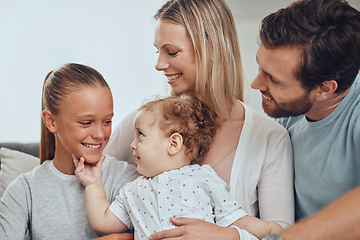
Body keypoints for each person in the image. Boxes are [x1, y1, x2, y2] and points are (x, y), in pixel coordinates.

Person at [105, 0, 294, 239]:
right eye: (158, 51)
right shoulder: (142, 124)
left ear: (212, 47)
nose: (159, 64)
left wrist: (226, 236)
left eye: (171, 52)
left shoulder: (269, 138)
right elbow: (95, 182)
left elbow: (283, 235)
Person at [75, 93, 283, 240]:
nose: (132, 144)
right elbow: (103, 222)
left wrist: (270, 229)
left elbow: (235, 218)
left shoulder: (204, 178)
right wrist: (93, 184)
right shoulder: (132, 190)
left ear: (173, 144)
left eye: (140, 135)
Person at [250, 0, 360, 239]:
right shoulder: (286, 122)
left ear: (324, 89)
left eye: (274, 79)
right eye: (260, 68)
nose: (255, 84)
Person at [0, 63, 139, 239]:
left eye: (107, 121)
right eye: (86, 122)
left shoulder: (129, 181)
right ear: (51, 121)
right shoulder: (24, 191)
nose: (100, 134)